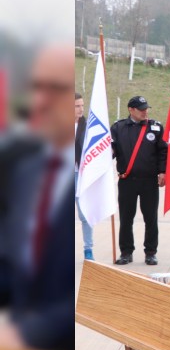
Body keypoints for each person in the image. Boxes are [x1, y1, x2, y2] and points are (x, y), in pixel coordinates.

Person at [0, 44, 76, 350]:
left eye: (54, 88)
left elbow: (81, 293)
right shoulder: (28, 170)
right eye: (36, 87)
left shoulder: (87, 183)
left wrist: (25, 334)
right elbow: (12, 264)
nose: (40, 100)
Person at [110, 96, 167, 266]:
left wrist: (163, 171)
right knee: (126, 218)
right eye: (141, 109)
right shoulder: (118, 128)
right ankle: (126, 252)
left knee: (150, 218)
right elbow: (110, 150)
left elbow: (163, 151)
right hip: (127, 181)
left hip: (149, 181)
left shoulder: (155, 128)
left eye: (146, 108)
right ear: (131, 110)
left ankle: (151, 252)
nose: (145, 111)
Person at [75, 92, 93, 260]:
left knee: (85, 213)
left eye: (82, 105)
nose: (81, 109)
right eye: (77, 106)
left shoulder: (88, 125)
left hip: (80, 175)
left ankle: (88, 248)